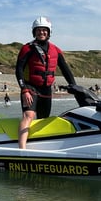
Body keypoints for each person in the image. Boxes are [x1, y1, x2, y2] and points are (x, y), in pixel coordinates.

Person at [16, 16, 76, 148]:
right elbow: (19, 69)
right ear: (34, 32)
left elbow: (65, 69)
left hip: (46, 89)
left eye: (44, 30)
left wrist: (74, 86)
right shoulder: (27, 48)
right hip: (30, 87)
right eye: (38, 30)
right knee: (28, 115)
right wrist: (24, 89)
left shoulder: (56, 50)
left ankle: (40, 144)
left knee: (44, 118)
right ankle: (21, 149)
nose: (41, 33)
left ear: (49, 32)